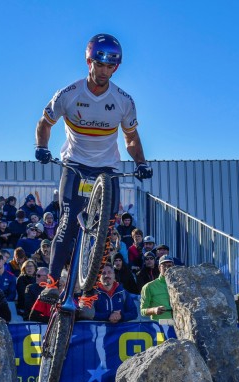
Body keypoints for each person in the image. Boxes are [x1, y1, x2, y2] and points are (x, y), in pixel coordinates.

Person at [35, 33, 152, 307]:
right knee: (67, 221)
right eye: (99, 64)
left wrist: (141, 163)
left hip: (107, 167)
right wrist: (41, 146)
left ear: (116, 68)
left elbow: (131, 138)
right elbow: (44, 123)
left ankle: (88, 290)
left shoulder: (123, 100)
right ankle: (52, 281)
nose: (104, 71)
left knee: (107, 228)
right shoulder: (69, 94)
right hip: (75, 163)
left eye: (110, 66)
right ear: (89, 61)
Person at [139, 255, 175, 320]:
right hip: (160, 327)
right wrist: (154, 310)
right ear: (159, 268)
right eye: (164, 266)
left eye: (169, 266)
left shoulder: (180, 286)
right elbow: (142, 311)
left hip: (179, 326)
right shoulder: (149, 287)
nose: (167, 268)